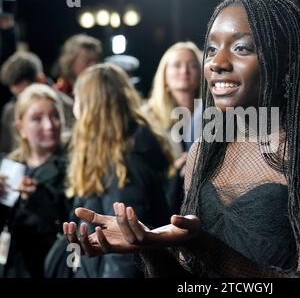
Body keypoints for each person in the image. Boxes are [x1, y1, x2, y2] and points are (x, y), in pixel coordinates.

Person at [64, 0, 300, 278]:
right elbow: (192, 277)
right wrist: (149, 245)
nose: (217, 62)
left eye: (241, 48)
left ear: (286, 61)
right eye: (212, 49)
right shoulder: (206, 148)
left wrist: (205, 245)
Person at [65, 63, 176, 278]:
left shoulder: (125, 168)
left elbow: (125, 255)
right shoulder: (120, 156)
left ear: (90, 108)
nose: (73, 108)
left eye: (77, 99)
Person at [0, 84, 70, 277]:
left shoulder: (73, 167)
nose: (49, 125)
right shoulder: (10, 165)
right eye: (37, 119)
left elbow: (71, 219)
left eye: (55, 116)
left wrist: (38, 197)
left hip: (50, 268)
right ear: (20, 127)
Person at [141, 41, 202, 213]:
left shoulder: (215, 114)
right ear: (164, 74)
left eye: (192, 65)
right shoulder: (146, 118)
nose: (185, 71)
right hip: (163, 204)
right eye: (177, 65)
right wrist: (173, 170)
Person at [0, 51, 46, 153]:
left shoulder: (64, 106)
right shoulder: (10, 109)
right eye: (17, 96)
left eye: (27, 95)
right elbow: (6, 150)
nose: (22, 102)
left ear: (41, 80)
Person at [53, 34, 102, 98]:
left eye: (96, 60)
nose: (93, 65)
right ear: (70, 61)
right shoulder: (58, 93)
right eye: (87, 60)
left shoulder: (102, 90)